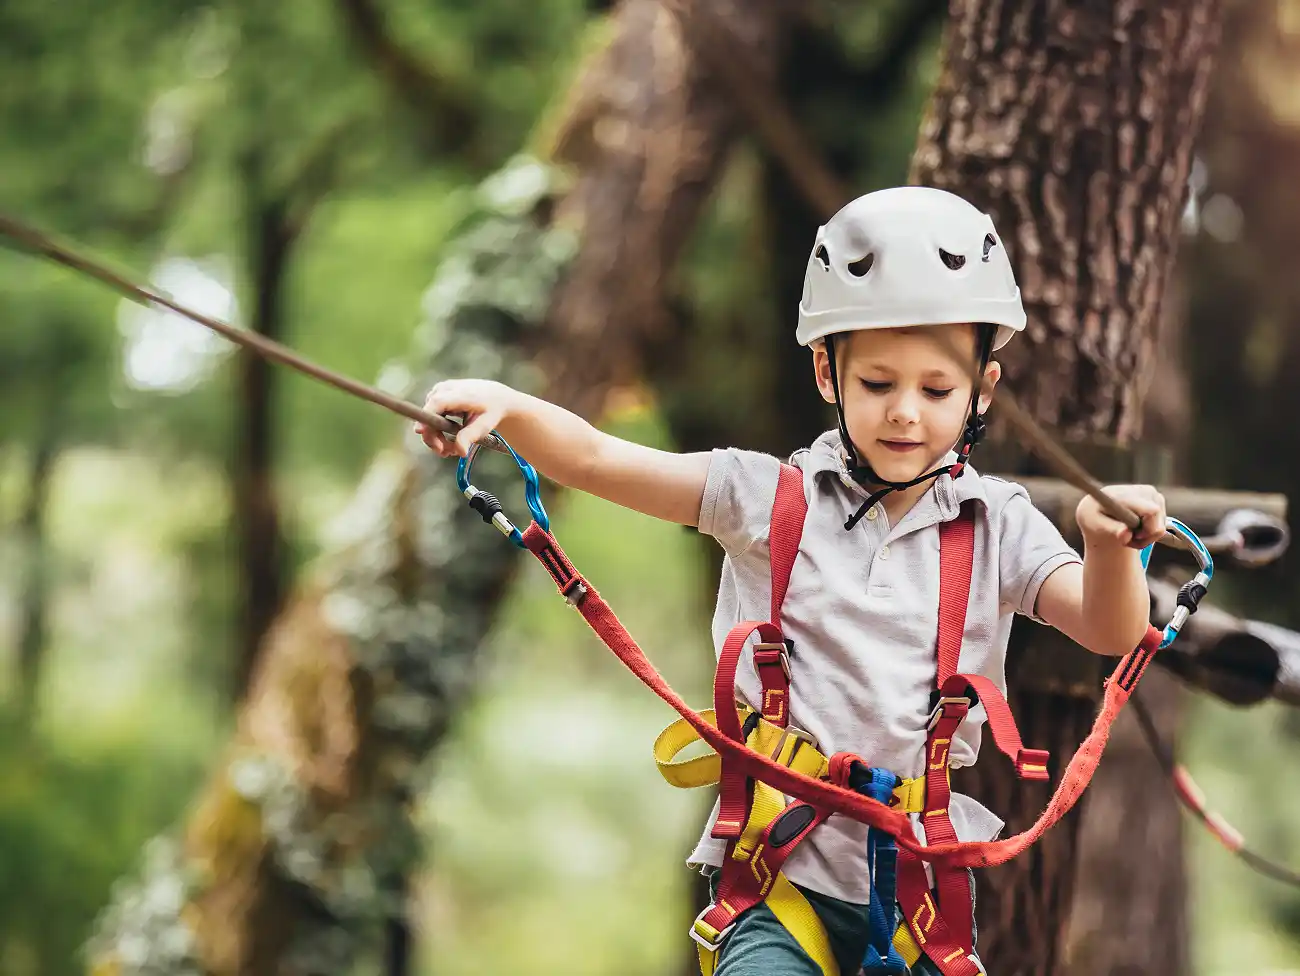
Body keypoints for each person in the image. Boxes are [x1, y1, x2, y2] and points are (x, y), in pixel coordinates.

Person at [414, 186, 1166, 975]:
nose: (905, 413)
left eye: (938, 390)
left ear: (983, 390)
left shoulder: (996, 523)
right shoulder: (762, 497)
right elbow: (601, 459)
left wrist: (1108, 548)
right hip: (778, 885)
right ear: (826, 373)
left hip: (916, 901)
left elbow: (1109, 629)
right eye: (878, 384)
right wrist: (509, 407)